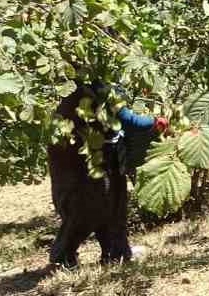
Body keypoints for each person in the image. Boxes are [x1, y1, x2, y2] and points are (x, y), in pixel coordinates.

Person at [47, 82, 168, 268]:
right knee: (86, 209)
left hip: (99, 150)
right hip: (78, 157)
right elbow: (129, 120)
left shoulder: (92, 81)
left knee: (114, 202)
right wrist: (156, 121)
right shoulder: (94, 84)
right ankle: (62, 257)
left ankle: (117, 252)